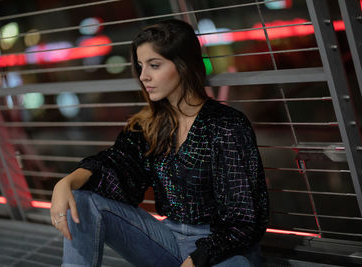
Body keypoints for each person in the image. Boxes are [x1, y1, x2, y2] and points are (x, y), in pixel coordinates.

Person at [50, 19, 269, 267]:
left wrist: (199, 259)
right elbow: (118, 162)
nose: (144, 76)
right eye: (141, 66)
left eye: (154, 65)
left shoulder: (227, 125)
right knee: (80, 200)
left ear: (183, 65)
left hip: (222, 249)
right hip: (168, 238)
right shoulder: (148, 125)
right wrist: (66, 182)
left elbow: (245, 220)